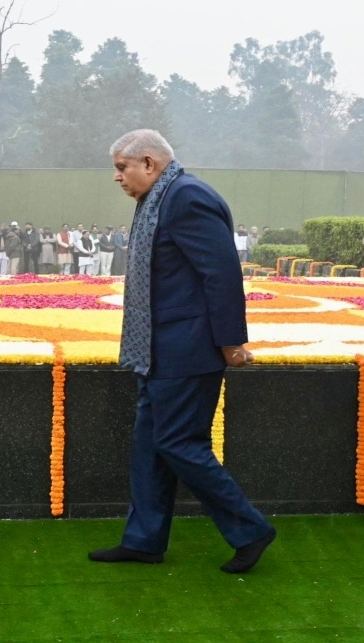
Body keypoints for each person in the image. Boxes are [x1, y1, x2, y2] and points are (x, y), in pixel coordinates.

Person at [88, 129, 275, 573]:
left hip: (187, 349)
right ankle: (144, 540)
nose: (117, 177)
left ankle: (250, 529)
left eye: (122, 167)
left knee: (178, 443)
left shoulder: (187, 198)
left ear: (148, 163)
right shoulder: (159, 199)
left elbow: (221, 274)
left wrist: (231, 342)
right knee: (150, 447)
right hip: (155, 350)